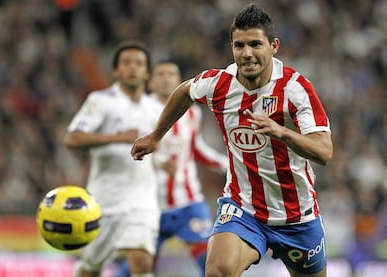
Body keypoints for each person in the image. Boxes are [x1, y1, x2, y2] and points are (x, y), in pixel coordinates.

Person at [131, 4, 333, 277]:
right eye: (239, 45)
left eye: (255, 44)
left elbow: (324, 151)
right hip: (243, 207)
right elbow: (185, 91)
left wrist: (282, 132)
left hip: (297, 216)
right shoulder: (219, 84)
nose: (247, 53)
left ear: (273, 46)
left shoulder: (295, 89)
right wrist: (156, 136)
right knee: (217, 271)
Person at [116, 61, 229, 277]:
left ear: (179, 82)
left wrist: (229, 164)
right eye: (161, 74)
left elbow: (197, 148)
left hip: (188, 202)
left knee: (209, 259)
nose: (166, 78)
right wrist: (158, 162)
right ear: (151, 81)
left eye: (171, 74)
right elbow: (124, 150)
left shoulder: (192, 113)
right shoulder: (137, 110)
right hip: (150, 205)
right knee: (137, 268)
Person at [64, 40, 161, 277]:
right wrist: (116, 138)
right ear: (115, 70)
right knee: (91, 269)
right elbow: (72, 139)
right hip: (105, 201)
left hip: (142, 200)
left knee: (142, 262)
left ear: (147, 72)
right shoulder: (101, 101)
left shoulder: (155, 108)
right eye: (126, 63)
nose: (133, 68)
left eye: (139, 63)